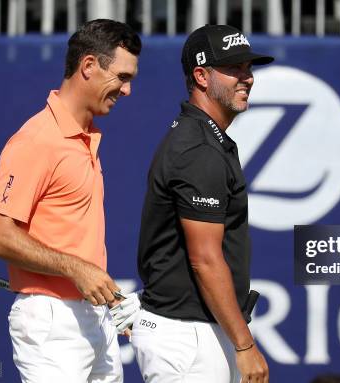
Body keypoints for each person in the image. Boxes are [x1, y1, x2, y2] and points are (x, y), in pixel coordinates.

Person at [0, 19, 141, 382]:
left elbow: (69, 239)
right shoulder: (36, 139)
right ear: (88, 66)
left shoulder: (87, 136)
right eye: (122, 76)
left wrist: (104, 293)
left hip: (95, 319)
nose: (128, 90)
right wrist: (77, 269)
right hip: (52, 323)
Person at [129, 24, 273, 383]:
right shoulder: (199, 150)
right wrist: (244, 345)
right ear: (201, 76)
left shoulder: (205, 140)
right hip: (187, 338)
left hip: (193, 332)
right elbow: (205, 259)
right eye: (234, 69)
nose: (248, 78)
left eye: (248, 68)